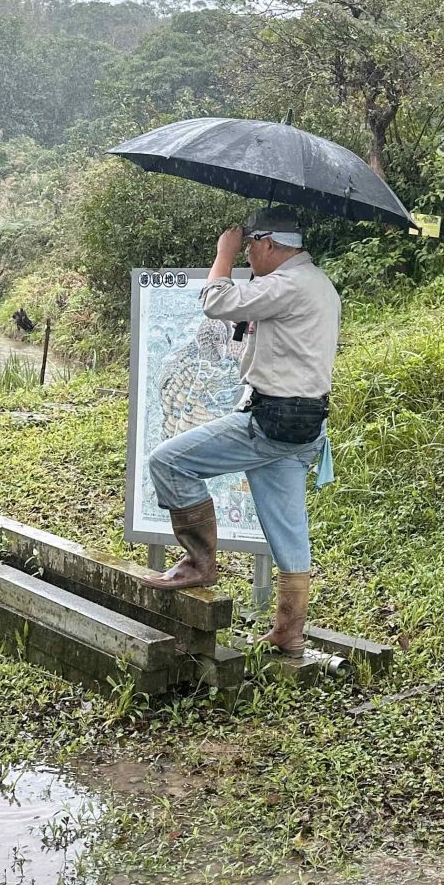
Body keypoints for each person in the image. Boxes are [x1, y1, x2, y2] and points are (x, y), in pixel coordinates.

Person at [147, 207, 341, 655]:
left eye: (252, 245)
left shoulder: (288, 284)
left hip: (270, 421)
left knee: (168, 461)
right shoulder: (316, 283)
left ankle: (199, 562)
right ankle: (290, 632)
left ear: (269, 243)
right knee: (289, 530)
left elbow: (216, 302)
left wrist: (224, 253)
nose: (248, 253)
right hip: (304, 426)